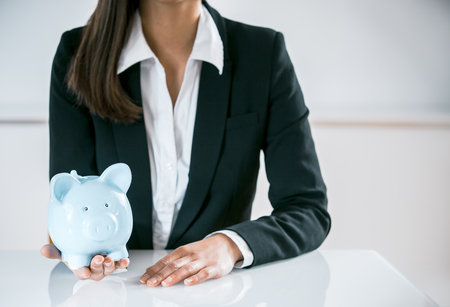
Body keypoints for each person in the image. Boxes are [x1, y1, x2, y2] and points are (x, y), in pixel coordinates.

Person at [41, 0, 331, 287]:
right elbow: (70, 197)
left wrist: (229, 245)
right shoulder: (78, 52)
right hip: (113, 291)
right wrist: (74, 246)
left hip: (218, 292)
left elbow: (308, 210)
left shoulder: (262, 53)